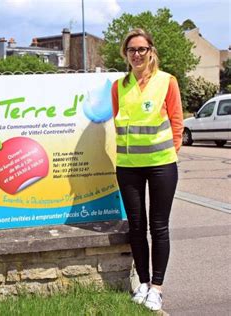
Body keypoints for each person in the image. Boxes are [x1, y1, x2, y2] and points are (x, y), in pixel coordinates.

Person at [111, 28, 183, 311]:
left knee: (159, 227)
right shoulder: (119, 86)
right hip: (128, 167)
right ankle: (142, 283)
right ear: (125, 54)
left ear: (151, 51)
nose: (137, 55)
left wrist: (170, 151)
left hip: (161, 166)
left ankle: (157, 287)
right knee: (137, 227)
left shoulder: (167, 81)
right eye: (132, 50)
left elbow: (177, 122)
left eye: (142, 49)